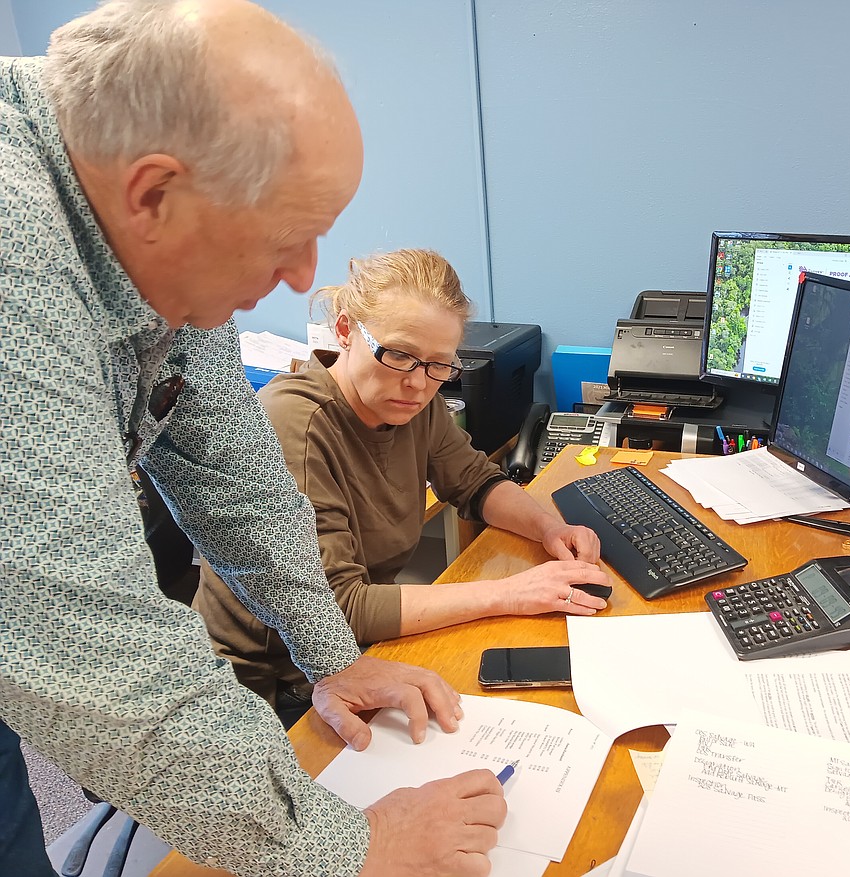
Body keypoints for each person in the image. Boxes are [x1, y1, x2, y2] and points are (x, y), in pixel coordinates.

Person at [0, 3, 505, 876]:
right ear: (153, 192)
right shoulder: (18, 253)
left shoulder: (145, 226)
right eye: (284, 238)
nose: (307, 276)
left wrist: (332, 659)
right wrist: (351, 848)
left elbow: (238, 482)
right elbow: (89, 640)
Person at [195, 250, 610, 716]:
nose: (418, 383)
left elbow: (475, 482)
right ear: (346, 330)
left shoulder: (413, 398)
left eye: (440, 365)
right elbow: (338, 610)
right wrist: (510, 593)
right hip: (279, 685)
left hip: (359, 651)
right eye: (398, 355)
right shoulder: (296, 424)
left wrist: (547, 527)